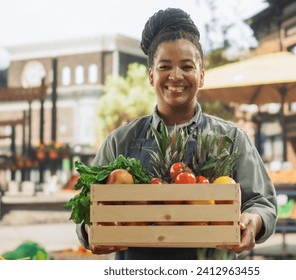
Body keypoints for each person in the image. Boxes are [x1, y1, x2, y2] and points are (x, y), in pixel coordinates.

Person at [76, 7, 277, 260]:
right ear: (151, 76)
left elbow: (262, 202)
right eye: (165, 66)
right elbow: (86, 210)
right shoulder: (120, 141)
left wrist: (253, 221)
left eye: (187, 66)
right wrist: (88, 229)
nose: (176, 75)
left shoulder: (232, 138)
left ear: (201, 76)